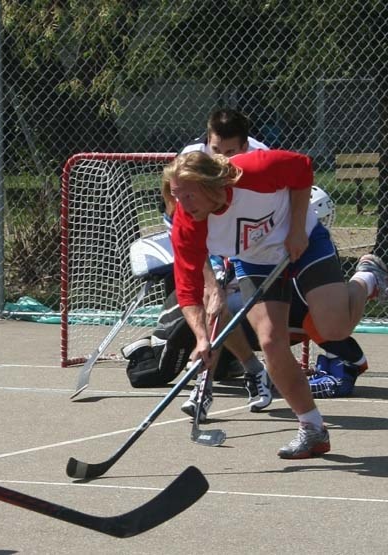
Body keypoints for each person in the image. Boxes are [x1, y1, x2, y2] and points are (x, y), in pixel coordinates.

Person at [161, 148, 386, 459]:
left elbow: (302, 168)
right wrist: (202, 340)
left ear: (211, 185)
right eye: (176, 196)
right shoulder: (187, 223)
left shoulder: (253, 171)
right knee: (270, 342)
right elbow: (187, 288)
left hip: (303, 241)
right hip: (256, 261)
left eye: (189, 196)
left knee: (334, 329)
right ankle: (313, 429)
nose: (183, 206)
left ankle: (366, 279)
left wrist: (295, 229)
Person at [165, 108, 275, 416]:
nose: (222, 159)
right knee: (211, 301)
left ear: (245, 146)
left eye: (230, 152)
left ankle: (248, 369)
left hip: (250, 240)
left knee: (234, 309)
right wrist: (211, 282)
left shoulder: (260, 157)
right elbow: (181, 223)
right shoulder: (191, 157)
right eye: (216, 150)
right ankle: (218, 382)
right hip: (206, 235)